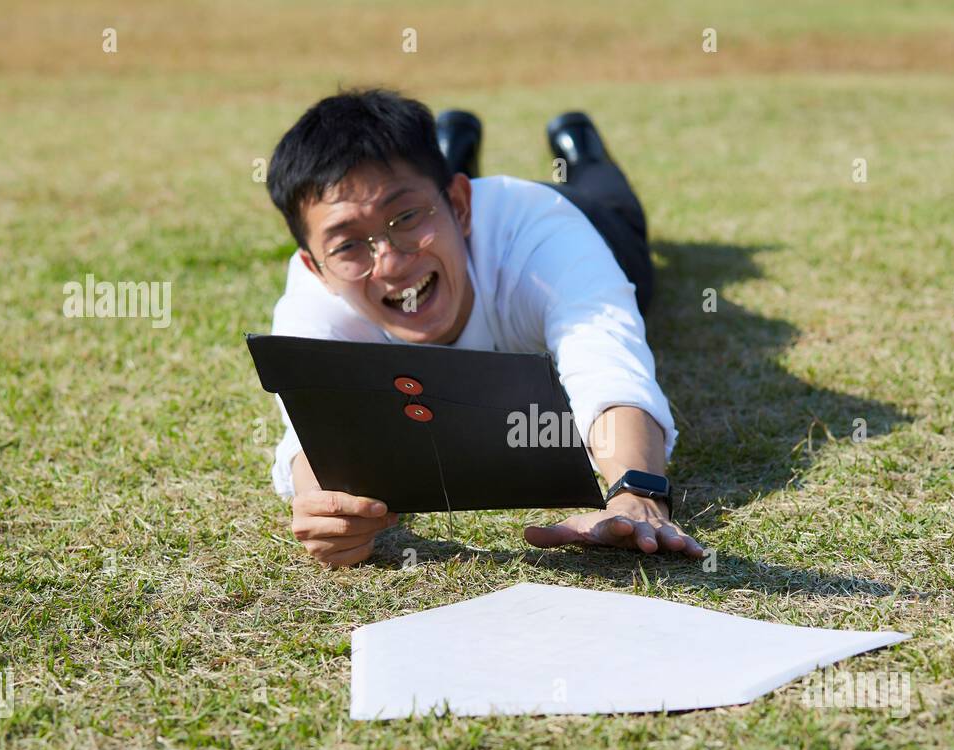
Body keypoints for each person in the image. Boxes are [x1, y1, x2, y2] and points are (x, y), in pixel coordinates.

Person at [265, 87, 704, 567]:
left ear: (459, 205)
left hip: (582, 213)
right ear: (315, 268)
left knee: (618, 213)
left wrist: (635, 492)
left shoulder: (548, 238)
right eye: (348, 246)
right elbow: (312, 426)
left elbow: (608, 365)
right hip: (450, 204)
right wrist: (322, 506)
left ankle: (579, 142)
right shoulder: (312, 296)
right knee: (409, 190)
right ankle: (449, 149)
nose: (389, 263)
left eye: (406, 217)